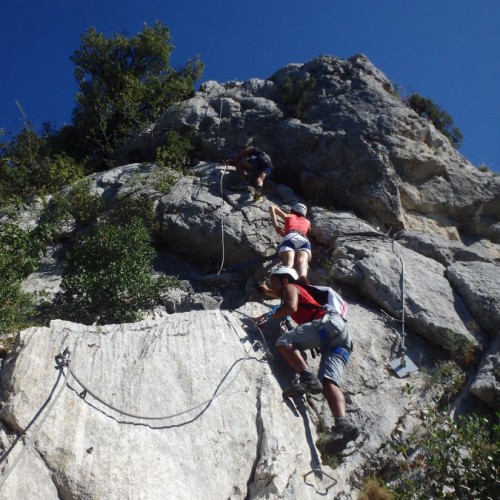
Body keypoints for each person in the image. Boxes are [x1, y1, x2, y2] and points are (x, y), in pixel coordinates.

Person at [254, 267, 358, 446]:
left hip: (328, 325)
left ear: (284, 280)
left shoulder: (291, 286)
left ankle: (307, 378)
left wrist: (268, 319)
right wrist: (266, 291)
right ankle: (342, 424)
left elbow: (290, 306)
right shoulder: (298, 293)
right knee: (328, 382)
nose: (273, 285)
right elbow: (284, 304)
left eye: (274, 281)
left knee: (283, 342)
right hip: (341, 337)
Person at [269, 202, 311, 282]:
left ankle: (287, 279)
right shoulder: (308, 222)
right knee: (302, 262)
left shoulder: (289, 216)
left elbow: (272, 207)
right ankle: (303, 279)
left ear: (293, 210)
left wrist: (276, 226)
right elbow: (307, 229)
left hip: (290, 237)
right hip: (304, 240)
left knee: (289, 264)